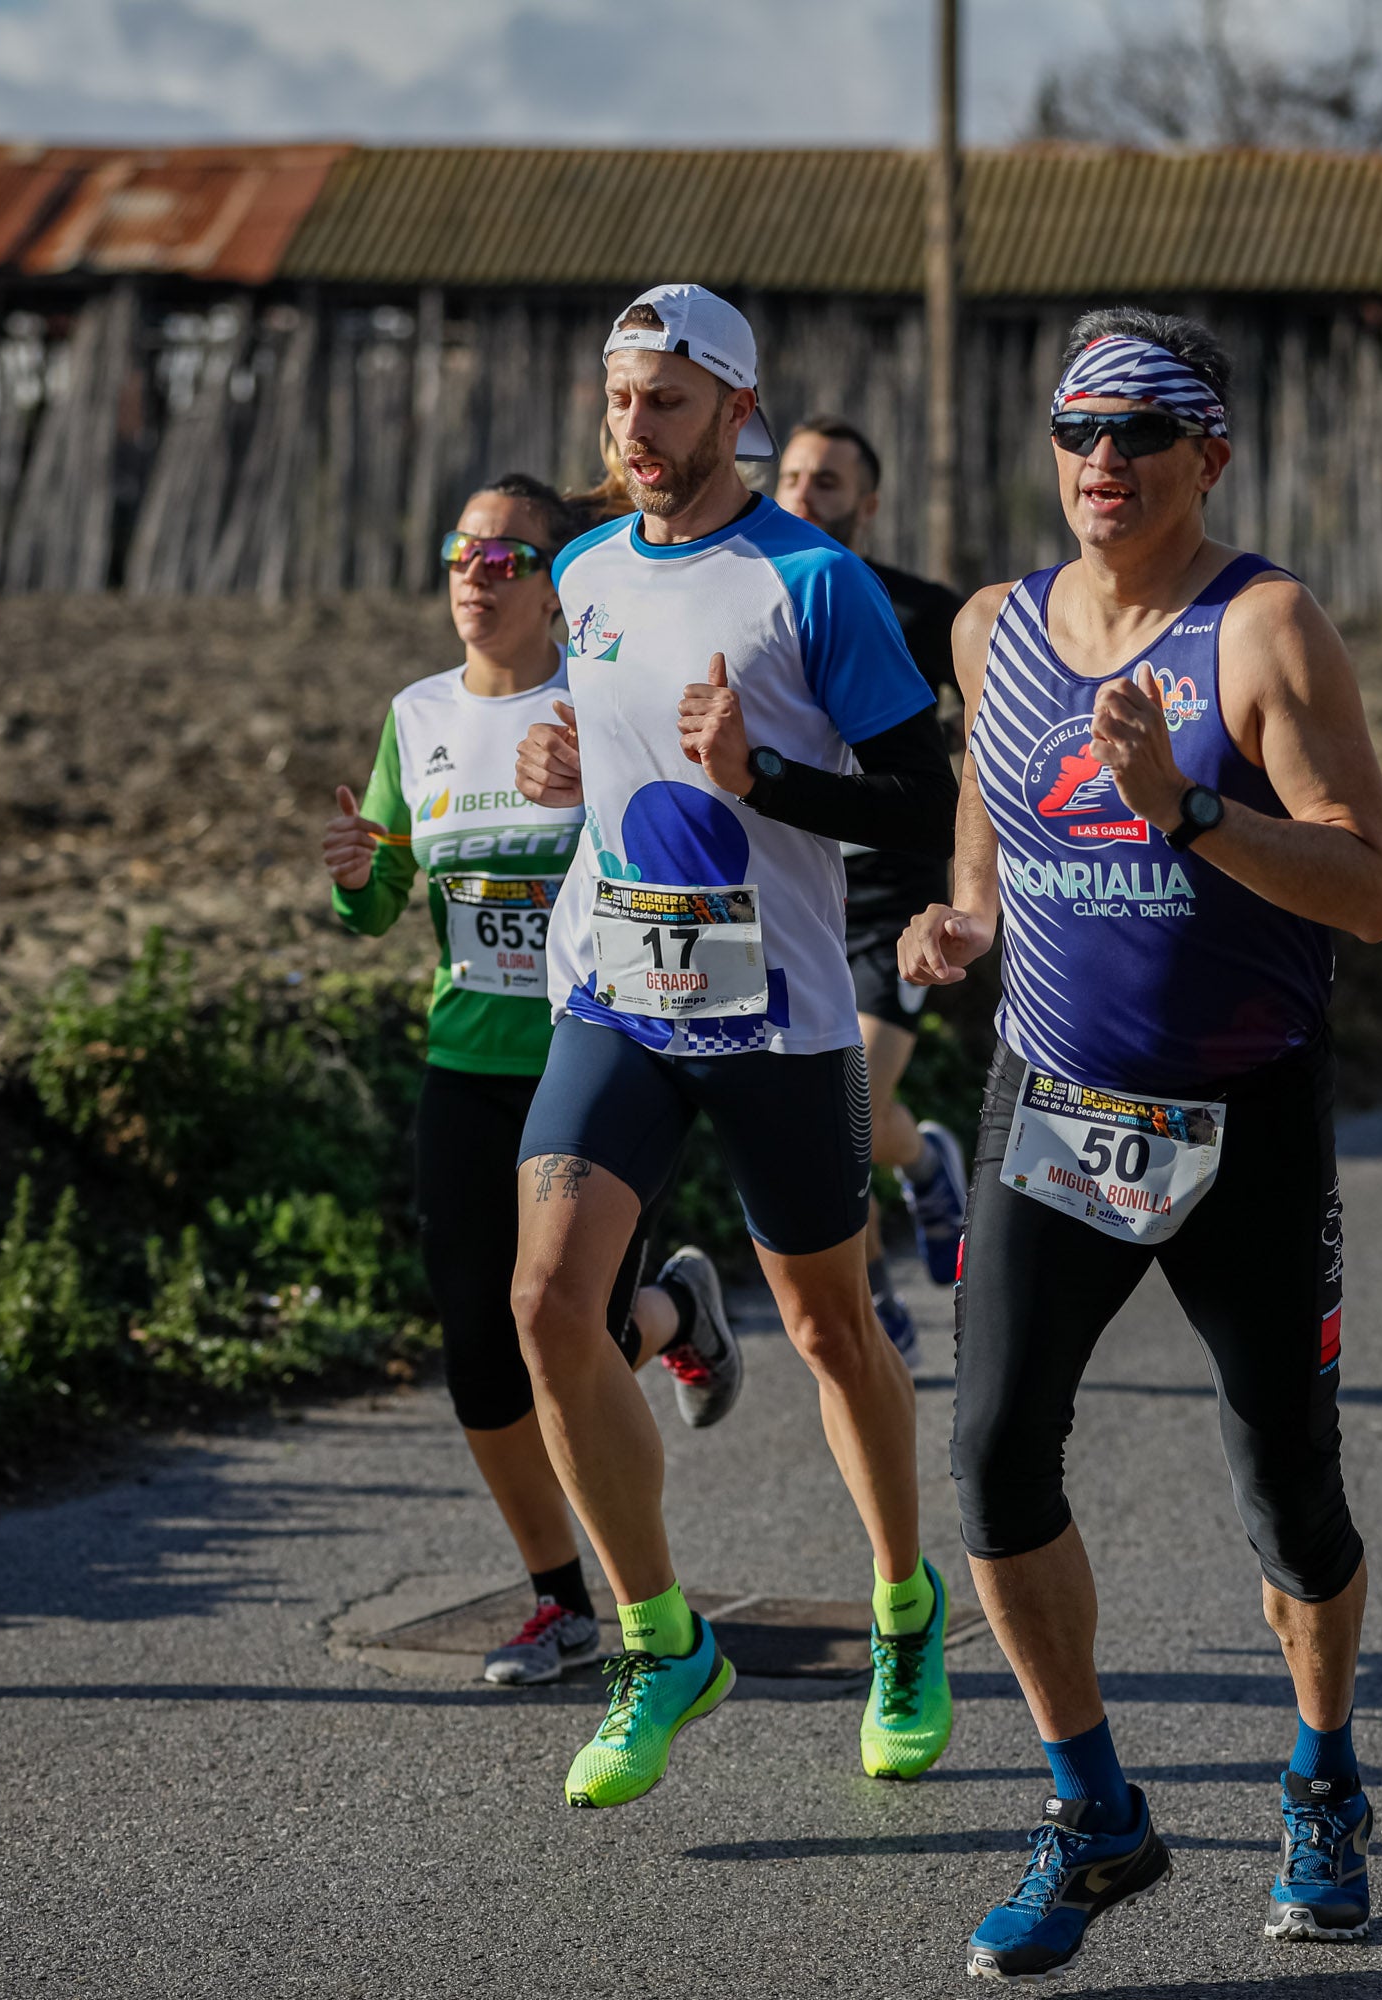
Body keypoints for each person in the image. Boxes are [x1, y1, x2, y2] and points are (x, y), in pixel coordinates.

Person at [898, 309, 1382, 1977]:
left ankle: (1321, 1774)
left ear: (1212, 453)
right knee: (991, 1466)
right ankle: (1093, 1808)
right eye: (1075, 431)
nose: (1100, 462)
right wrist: (965, 921)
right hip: (1056, 1101)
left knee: (1290, 1501)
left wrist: (1193, 805)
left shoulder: (1262, 632)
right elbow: (989, 794)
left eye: (1139, 432)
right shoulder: (998, 626)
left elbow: (1371, 894)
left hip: (1243, 1111)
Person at [506, 283, 960, 1806]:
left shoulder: (813, 584)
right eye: (621, 399)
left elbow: (920, 799)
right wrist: (565, 760)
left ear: (738, 413)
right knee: (550, 1306)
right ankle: (660, 1641)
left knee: (833, 1333)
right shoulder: (577, 570)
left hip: (777, 1018)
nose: (637, 430)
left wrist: (764, 777)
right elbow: (615, 753)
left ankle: (904, 1608)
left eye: (670, 403)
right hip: (615, 990)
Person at [322, 474, 739, 1687]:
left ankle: (670, 1314)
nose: (474, 573)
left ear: (559, 585)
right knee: (477, 1350)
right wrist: (356, 873)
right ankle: (559, 1600)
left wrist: (605, 787)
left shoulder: (597, 698)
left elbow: (691, 845)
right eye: (460, 550)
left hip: (598, 1052)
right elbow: (382, 900)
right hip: (466, 1064)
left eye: (506, 558)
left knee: (584, 1334)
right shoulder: (418, 715)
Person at [773, 416, 971, 1364]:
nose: (806, 495)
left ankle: (869, 1301)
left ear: (869, 503)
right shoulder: (743, 590)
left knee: (846, 1103)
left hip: (891, 898)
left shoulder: (928, 611)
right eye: (795, 476)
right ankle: (928, 1163)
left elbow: (991, 744)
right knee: (846, 1115)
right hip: (785, 890)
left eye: (829, 482)